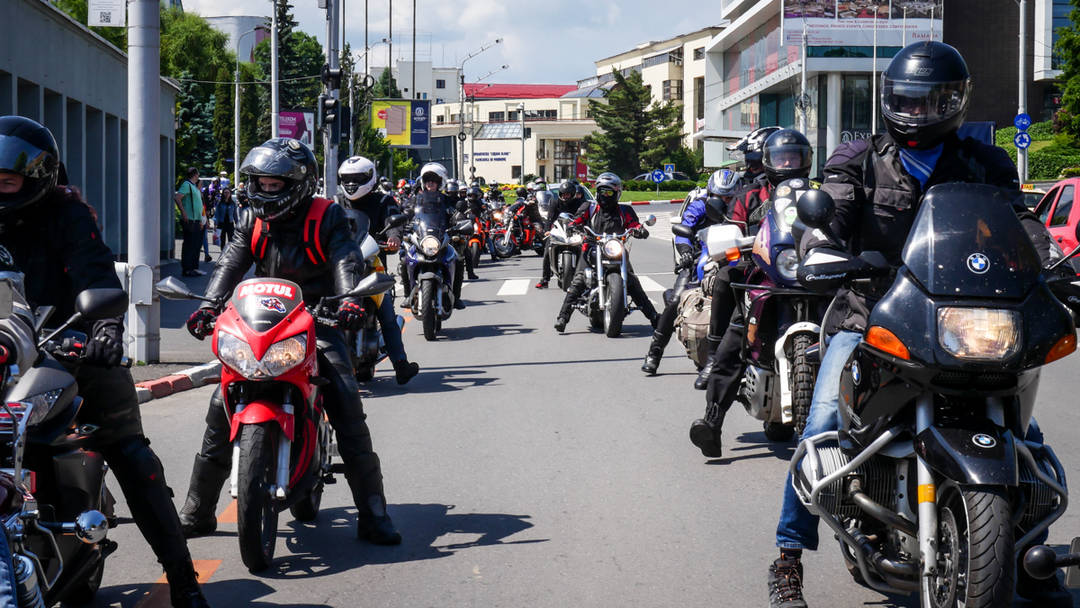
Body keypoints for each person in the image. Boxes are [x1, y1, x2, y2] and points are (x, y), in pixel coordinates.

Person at [765, 42, 1071, 608]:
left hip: (966, 320)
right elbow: (830, 208)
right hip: (874, 315)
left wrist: (1053, 259)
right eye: (909, 100)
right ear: (888, 100)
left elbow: (1019, 220)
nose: (921, 112)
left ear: (957, 102)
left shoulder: (985, 163)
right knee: (820, 428)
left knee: (1024, 438)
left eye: (936, 101)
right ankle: (788, 557)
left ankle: (1027, 554)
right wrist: (823, 244)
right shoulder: (856, 160)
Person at [0, 116, 210, 607]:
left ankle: (182, 578)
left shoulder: (67, 215)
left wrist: (105, 331)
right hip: (4, 354)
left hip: (65, 348)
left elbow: (94, 270)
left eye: (7, 182)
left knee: (131, 454)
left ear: (37, 180)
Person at [179, 138, 402, 549]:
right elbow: (231, 260)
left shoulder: (328, 215)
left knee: (346, 399)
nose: (264, 190)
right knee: (219, 404)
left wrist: (350, 300)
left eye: (273, 183)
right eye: (258, 183)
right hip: (264, 319)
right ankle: (197, 509)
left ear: (298, 183)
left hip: (320, 317)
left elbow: (346, 259)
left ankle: (373, 514)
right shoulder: (253, 219)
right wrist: (208, 307)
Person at [689, 128, 813, 459]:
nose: (788, 163)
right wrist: (736, 243)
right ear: (769, 162)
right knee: (734, 341)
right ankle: (712, 423)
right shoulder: (749, 196)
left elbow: (839, 223)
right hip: (764, 278)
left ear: (807, 161)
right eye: (782, 158)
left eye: (794, 157)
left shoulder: (818, 195)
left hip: (811, 279)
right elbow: (731, 229)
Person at [640, 169, 735, 374]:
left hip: (733, 259)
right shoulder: (699, 206)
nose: (723, 200)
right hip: (701, 258)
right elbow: (685, 229)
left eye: (728, 196)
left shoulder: (739, 207)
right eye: (719, 196)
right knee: (675, 301)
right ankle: (654, 353)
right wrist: (685, 251)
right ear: (711, 193)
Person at [337, 156, 420, 385]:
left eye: (357, 178)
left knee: (386, 315)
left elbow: (396, 223)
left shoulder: (384, 201)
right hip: (341, 266)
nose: (352, 183)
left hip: (372, 266)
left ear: (370, 178)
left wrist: (393, 238)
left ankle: (401, 365)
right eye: (348, 179)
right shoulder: (337, 203)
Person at [554, 172, 658, 332]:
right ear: (597, 192)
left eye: (609, 192)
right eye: (602, 191)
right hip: (591, 248)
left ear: (617, 193)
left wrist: (639, 230)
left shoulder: (625, 211)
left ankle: (654, 318)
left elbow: (633, 224)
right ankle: (562, 317)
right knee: (579, 280)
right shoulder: (589, 207)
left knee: (632, 282)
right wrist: (572, 225)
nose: (605, 195)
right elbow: (578, 219)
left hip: (616, 248)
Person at [406, 162, 466, 310]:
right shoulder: (416, 199)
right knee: (404, 260)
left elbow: (454, 213)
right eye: (428, 180)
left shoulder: (446, 200)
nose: (430, 183)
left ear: (440, 182)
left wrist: (458, 220)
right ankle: (408, 295)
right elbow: (407, 212)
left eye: (434, 180)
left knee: (458, 260)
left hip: (441, 237)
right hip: (422, 237)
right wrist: (403, 222)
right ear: (423, 182)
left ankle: (456, 297)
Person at [536, 180, 585, 288]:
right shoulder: (555, 202)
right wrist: (547, 230)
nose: (565, 196)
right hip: (558, 230)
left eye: (567, 194)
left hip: (575, 231)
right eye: (563, 194)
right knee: (547, 252)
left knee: (586, 250)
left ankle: (587, 276)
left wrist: (585, 229)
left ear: (572, 194)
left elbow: (584, 217)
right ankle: (545, 279)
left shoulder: (579, 203)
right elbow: (550, 218)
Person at [174, 167, 205, 277]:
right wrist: (183, 213)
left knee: (195, 245)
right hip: (190, 220)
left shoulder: (194, 187)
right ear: (195, 174)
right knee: (189, 245)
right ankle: (187, 269)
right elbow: (177, 197)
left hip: (196, 220)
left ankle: (192, 268)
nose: (198, 176)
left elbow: (199, 204)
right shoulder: (187, 185)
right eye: (198, 174)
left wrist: (201, 220)